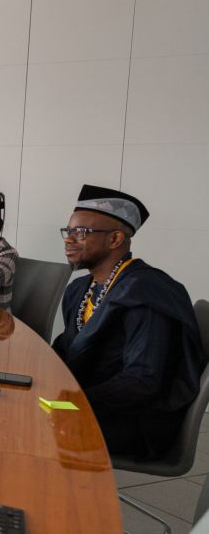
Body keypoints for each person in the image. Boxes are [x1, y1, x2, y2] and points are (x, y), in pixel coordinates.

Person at [52, 184, 204, 459]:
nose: (69, 239)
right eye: (68, 231)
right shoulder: (80, 288)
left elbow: (141, 380)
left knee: (24, 431)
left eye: (81, 232)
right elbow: (66, 346)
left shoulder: (146, 292)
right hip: (89, 401)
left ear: (115, 239)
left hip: (133, 420)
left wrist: (72, 402)